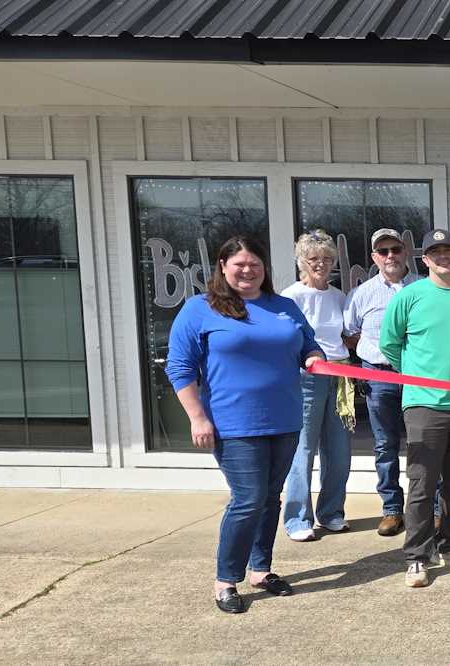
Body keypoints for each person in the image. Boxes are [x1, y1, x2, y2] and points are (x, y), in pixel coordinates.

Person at [166, 236, 324, 614]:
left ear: (264, 268)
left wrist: (316, 358)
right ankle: (226, 580)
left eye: (255, 263)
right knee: (248, 500)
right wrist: (197, 417)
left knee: (270, 498)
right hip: (233, 423)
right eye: (239, 264)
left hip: (285, 419)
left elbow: (308, 346)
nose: (248, 270)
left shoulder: (283, 306)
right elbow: (180, 367)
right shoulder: (200, 309)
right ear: (223, 266)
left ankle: (260, 569)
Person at [379, 229, 450, 588]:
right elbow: (390, 345)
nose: (442, 257)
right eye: (434, 253)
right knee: (422, 484)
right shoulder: (410, 297)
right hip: (424, 406)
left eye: (449, 251)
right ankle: (416, 555)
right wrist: (419, 377)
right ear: (424, 259)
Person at [342, 228, 419, 537]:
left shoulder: (423, 287)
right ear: (374, 257)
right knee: (385, 445)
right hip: (379, 376)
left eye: (396, 250)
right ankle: (391, 508)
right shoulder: (361, 294)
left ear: (405, 253)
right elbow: (349, 334)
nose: (390, 256)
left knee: (424, 444)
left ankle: (428, 508)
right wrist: (375, 354)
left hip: (417, 376)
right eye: (383, 251)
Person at [280, 230, 353, 542]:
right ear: (302, 262)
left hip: (340, 376)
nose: (320, 264)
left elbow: (348, 335)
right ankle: (297, 518)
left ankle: (332, 512)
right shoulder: (290, 296)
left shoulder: (339, 296)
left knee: (339, 451)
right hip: (306, 378)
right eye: (313, 259)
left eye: (326, 259)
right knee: (303, 449)